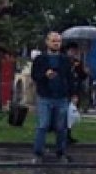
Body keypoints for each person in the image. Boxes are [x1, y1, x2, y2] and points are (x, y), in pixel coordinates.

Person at [31, 32, 75, 161]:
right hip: (45, 96)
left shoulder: (65, 60)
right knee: (43, 124)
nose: (56, 43)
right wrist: (45, 75)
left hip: (61, 97)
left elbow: (70, 78)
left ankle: (61, 151)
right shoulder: (40, 59)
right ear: (47, 42)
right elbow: (35, 76)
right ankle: (38, 151)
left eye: (58, 41)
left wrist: (73, 94)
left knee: (61, 126)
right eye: (53, 41)